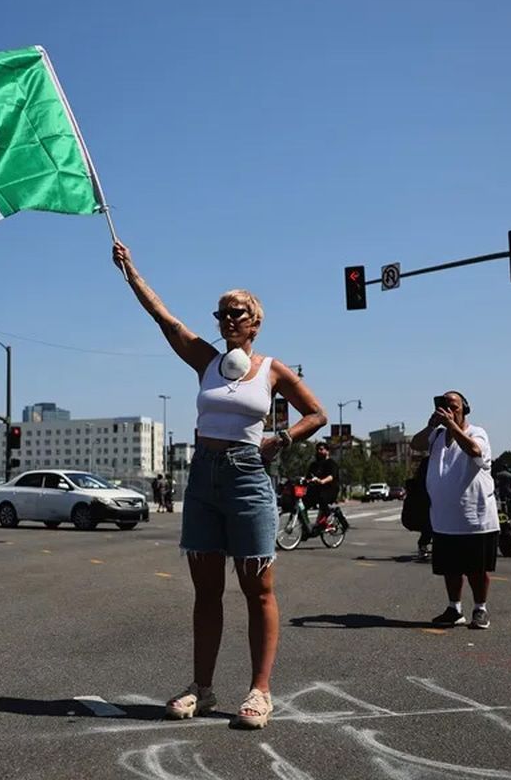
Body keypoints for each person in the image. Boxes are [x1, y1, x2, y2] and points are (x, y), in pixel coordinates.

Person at [114, 240, 327, 730]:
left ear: (255, 322)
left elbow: (316, 413)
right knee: (205, 591)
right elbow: (166, 320)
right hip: (204, 478)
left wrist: (283, 437)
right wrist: (132, 273)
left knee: (259, 588)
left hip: (249, 477)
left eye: (238, 313)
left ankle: (260, 691)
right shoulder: (206, 361)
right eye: (222, 313)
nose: (228, 320)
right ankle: (202, 688)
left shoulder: (272, 370)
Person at [411, 391, 498, 630]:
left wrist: (451, 425)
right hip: (444, 518)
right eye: (444, 406)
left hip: (475, 518)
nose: (449, 410)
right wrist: (431, 426)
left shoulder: (477, 433)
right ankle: (454, 608)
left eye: (454, 406)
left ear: (465, 409)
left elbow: (474, 451)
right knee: (451, 568)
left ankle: (480, 609)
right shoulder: (436, 436)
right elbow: (415, 445)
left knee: (476, 569)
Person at [305, 442, 340, 526]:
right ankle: (305, 526)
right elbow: (308, 476)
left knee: (322, 498)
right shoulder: (314, 465)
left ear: (327, 451)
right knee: (303, 502)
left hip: (330, 489)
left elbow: (331, 476)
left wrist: (322, 481)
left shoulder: (331, 463)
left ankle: (328, 514)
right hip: (316, 490)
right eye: (317, 450)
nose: (318, 451)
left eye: (321, 449)